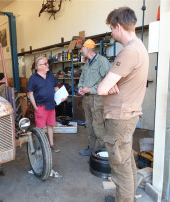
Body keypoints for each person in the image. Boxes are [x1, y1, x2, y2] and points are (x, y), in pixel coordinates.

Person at [97, 7, 149, 202]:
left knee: (119, 168)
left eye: (111, 28)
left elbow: (102, 88)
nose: (111, 33)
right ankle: (127, 198)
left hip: (120, 118)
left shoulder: (129, 51)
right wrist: (111, 85)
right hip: (127, 114)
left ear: (118, 26)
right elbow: (110, 85)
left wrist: (107, 85)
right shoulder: (139, 47)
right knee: (126, 163)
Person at [77, 39, 111, 156]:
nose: (81, 51)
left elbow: (108, 81)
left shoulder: (102, 61)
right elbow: (81, 79)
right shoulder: (86, 64)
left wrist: (91, 89)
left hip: (98, 99)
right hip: (86, 99)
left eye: (81, 49)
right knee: (89, 124)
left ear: (87, 48)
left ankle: (102, 151)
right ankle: (91, 148)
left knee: (98, 125)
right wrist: (80, 88)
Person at [27, 56, 66, 153]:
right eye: (45, 63)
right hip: (40, 106)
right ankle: (39, 145)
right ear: (39, 66)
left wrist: (62, 96)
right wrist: (35, 107)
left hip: (51, 105)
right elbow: (30, 94)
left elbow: (55, 88)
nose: (47, 65)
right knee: (40, 128)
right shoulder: (33, 78)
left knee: (50, 125)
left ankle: (51, 144)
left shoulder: (50, 75)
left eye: (47, 63)